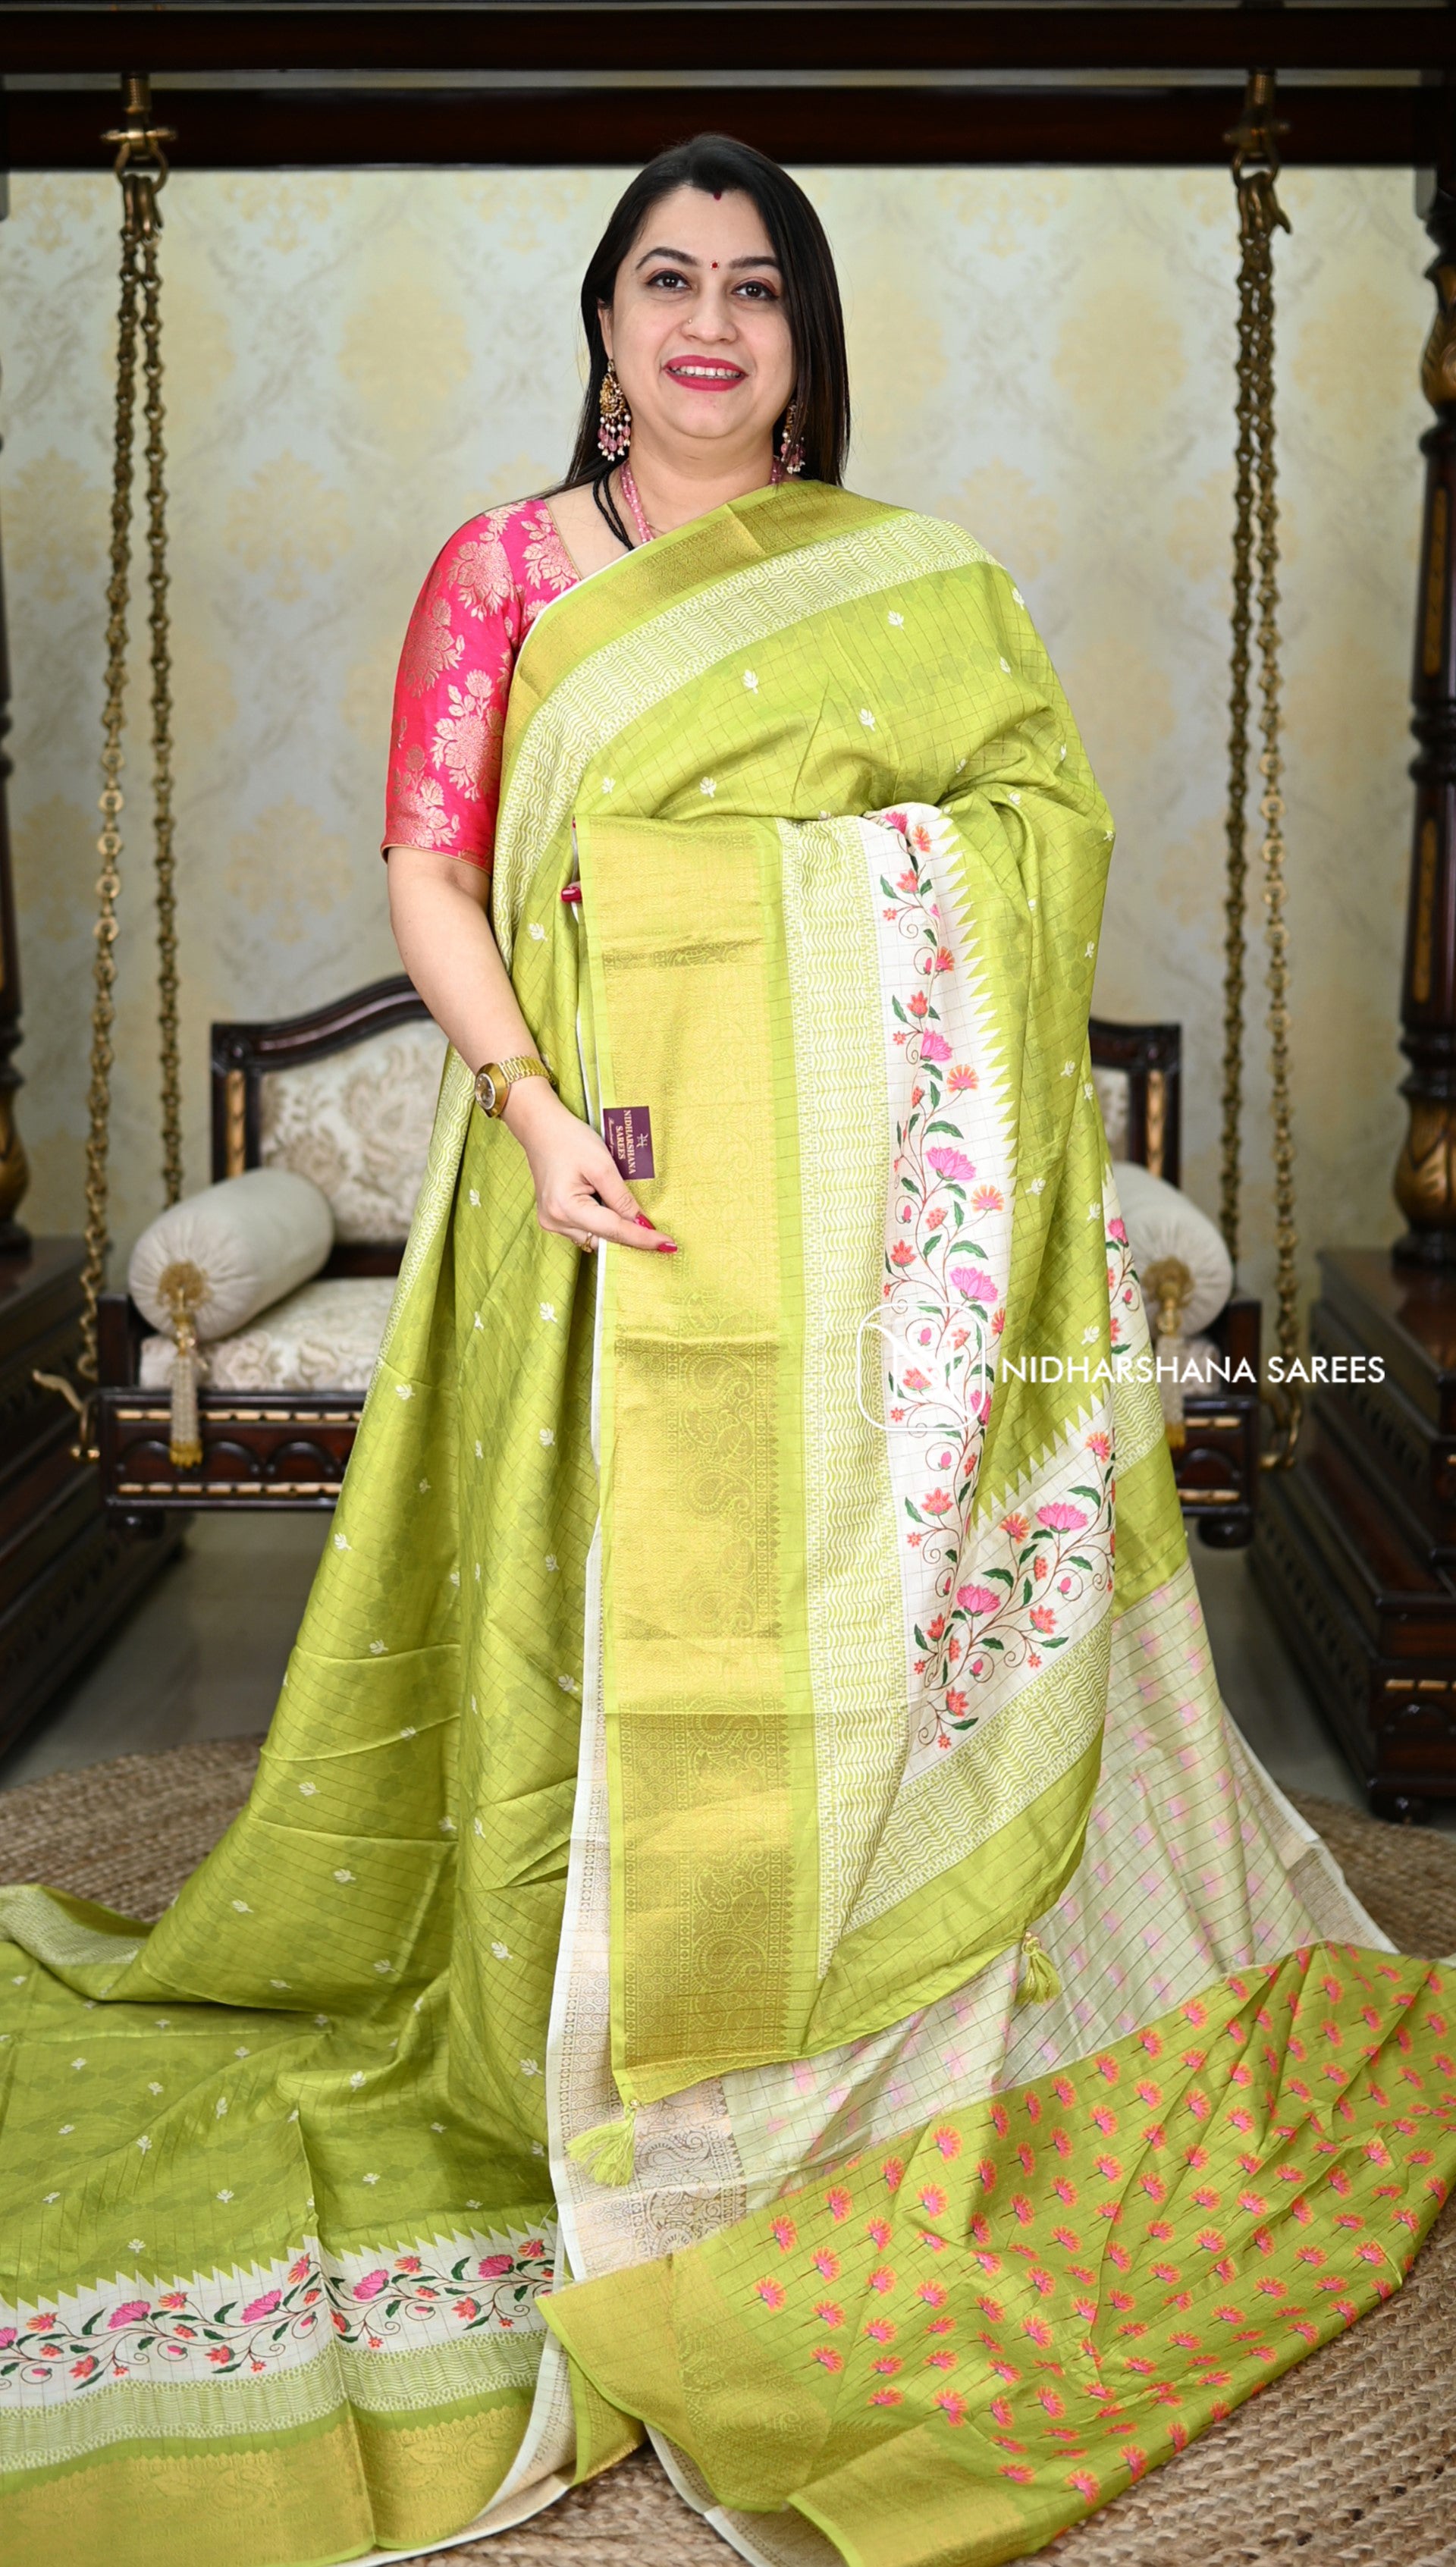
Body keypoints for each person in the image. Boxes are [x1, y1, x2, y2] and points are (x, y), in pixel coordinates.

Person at [2, 133, 1453, 2567]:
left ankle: (852, 2012)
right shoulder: (506, 569)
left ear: (804, 338)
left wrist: (812, 939)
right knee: (613, 1608)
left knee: (834, 1622)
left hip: (864, 1240)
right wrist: (529, 1103)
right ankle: (603, 2022)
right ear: (603, 320)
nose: (708, 322)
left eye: (755, 287)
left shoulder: (902, 586)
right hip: (589, 1194)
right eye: (666, 279)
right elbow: (431, 862)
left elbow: (1030, 832)